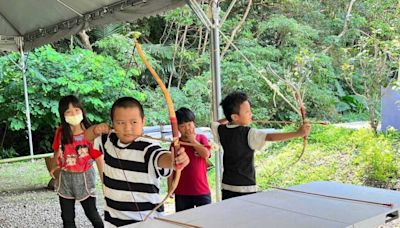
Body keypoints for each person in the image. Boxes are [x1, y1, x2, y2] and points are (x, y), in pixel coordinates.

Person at [86, 97, 190, 227]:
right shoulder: (108, 140)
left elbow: (161, 157)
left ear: (143, 121)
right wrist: (96, 129)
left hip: (147, 221)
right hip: (113, 221)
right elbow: (87, 137)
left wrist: (174, 160)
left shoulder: (148, 147)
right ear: (112, 123)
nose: (127, 128)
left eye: (134, 122)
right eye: (120, 122)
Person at [211, 91, 311, 200]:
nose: (251, 114)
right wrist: (298, 134)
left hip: (227, 186)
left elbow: (215, 123)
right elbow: (270, 137)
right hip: (246, 188)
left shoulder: (221, 130)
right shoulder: (249, 133)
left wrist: (230, 118)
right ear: (235, 116)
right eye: (247, 112)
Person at [50, 95, 104, 228]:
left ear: (82, 111)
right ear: (63, 115)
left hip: (85, 176)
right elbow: (56, 152)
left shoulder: (90, 133)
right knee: (67, 217)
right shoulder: (61, 132)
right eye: (68, 112)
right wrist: (55, 166)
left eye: (76, 110)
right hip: (65, 178)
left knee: (91, 213)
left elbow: (98, 158)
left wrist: (105, 182)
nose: (73, 114)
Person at [167, 107, 212, 212]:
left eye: (189, 124)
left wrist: (193, 141)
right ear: (177, 128)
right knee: (184, 221)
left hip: (201, 190)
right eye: (182, 126)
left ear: (194, 123)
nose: (187, 128)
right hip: (182, 192)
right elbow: (170, 168)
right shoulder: (175, 144)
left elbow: (206, 154)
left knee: (206, 219)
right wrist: (170, 188)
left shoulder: (201, 138)